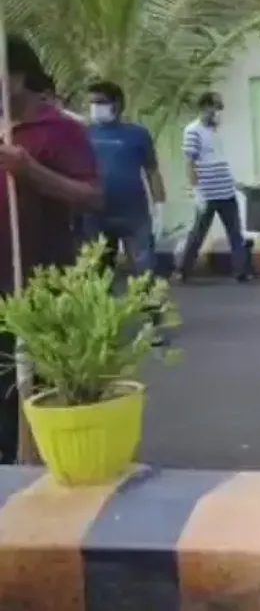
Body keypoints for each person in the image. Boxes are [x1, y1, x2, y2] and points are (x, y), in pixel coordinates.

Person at [0, 35, 102, 465]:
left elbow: (91, 196)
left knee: (42, 386)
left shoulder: (60, 130)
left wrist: (30, 172)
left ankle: (43, 470)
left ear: (17, 76)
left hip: (41, 282)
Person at [82, 81, 167, 338]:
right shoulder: (83, 133)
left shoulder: (137, 134)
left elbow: (152, 170)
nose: (95, 108)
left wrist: (160, 205)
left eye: (100, 102)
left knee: (144, 269)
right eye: (92, 103)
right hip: (95, 213)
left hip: (133, 214)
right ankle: (102, 327)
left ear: (117, 105)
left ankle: (154, 325)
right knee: (97, 272)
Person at [177, 92, 250, 282]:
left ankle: (241, 271)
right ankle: (183, 270)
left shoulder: (214, 131)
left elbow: (218, 160)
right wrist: (196, 190)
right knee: (198, 234)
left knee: (235, 233)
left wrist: (234, 183)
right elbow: (189, 162)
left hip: (226, 191)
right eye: (216, 107)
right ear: (205, 107)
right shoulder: (193, 131)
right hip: (207, 193)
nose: (219, 112)